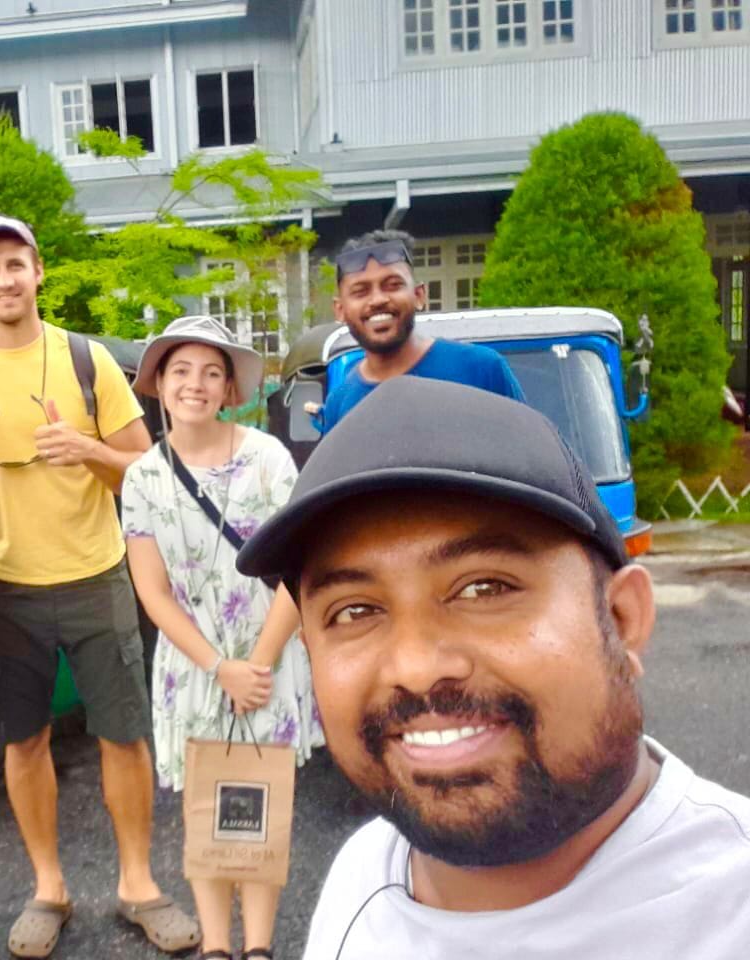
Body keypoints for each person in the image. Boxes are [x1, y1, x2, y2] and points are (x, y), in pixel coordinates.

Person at [235, 377, 750, 960]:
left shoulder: (732, 911)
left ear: (622, 618)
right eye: (355, 610)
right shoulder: (361, 875)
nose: (417, 667)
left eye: (483, 588)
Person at [0, 215, 200, 958]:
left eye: (16, 263)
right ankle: (48, 888)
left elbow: (148, 469)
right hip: (4, 586)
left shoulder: (86, 361)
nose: (4, 278)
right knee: (23, 741)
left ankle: (140, 885)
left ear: (38, 271)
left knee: (124, 734)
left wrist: (83, 448)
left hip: (94, 574)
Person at [121, 315, 325, 960]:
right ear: (158, 382)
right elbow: (152, 592)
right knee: (206, 811)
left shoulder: (268, 459)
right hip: (193, 664)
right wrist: (219, 668)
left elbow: (298, 567)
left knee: (261, 809)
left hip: (269, 653)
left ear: (230, 387)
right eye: (181, 370)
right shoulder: (143, 478)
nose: (196, 384)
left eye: (212, 372)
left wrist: (256, 665)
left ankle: (258, 948)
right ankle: (215, 947)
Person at [315, 229, 524, 435]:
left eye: (393, 285)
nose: (378, 300)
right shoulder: (340, 403)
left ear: (419, 295)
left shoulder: (481, 370)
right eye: (360, 291)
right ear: (340, 309)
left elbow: (531, 456)